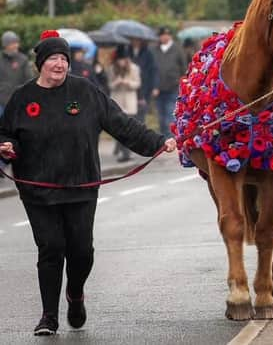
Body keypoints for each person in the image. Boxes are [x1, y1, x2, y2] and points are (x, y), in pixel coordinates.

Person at [0, 30, 176, 336]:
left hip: (80, 186)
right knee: (51, 248)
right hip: (37, 189)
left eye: (63, 58)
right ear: (40, 63)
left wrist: (158, 142)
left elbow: (120, 123)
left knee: (82, 251)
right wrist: (5, 146)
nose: (59, 64)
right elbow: (5, 133)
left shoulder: (85, 92)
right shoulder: (22, 98)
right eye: (52, 58)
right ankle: (48, 316)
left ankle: (76, 294)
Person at [106, 45, 142, 162]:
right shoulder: (112, 69)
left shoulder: (134, 68)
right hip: (117, 100)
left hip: (129, 100)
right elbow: (110, 85)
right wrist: (116, 83)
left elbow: (137, 83)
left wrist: (128, 83)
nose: (121, 62)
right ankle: (123, 150)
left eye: (123, 60)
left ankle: (125, 150)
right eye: (119, 60)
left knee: (128, 127)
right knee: (118, 126)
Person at [150, 27, 187, 135]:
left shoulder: (177, 49)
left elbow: (183, 67)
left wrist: (180, 81)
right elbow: (151, 68)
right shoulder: (154, 49)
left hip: (173, 87)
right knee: (160, 115)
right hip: (158, 88)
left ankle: (170, 136)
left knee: (170, 114)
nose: (164, 37)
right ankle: (163, 135)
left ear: (170, 36)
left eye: (167, 35)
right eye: (162, 35)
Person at [1, 31, 34, 115]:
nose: (16, 45)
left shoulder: (23, 59)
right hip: (1, 102)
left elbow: (29, 80)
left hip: (18, 102)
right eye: (13, 43)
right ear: (5, 45)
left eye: (17, 43)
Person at [129, 38, 159, 125]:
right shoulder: (127, 51)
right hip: (131, 87)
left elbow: (153, 70)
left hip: (145, 86)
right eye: (134, 39)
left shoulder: (148, 53)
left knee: (141, 113)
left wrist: (155, 86)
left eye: (138, 40)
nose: (135, 41)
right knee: (130, 115)